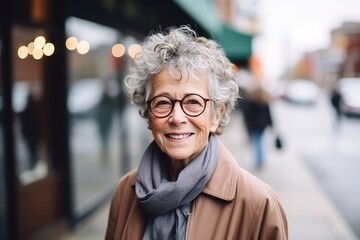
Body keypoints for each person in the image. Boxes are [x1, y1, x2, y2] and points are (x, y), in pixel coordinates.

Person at [105, 26, 288, 240]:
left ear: (216, 115)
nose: (177, 117)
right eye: (163, 102)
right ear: (148, 114)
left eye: (193, 102)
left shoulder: (259, 204)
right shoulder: (125, 191)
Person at [242, 83, 274, 169]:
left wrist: (248, 126)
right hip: (262, 126)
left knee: (256, 142)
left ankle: (258, 161)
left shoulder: (251, 101)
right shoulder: (264, 101)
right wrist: (272, 125)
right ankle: (261, 160)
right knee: (260, 142)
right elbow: (269, 115)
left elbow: (247, 116)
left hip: (254, 126)